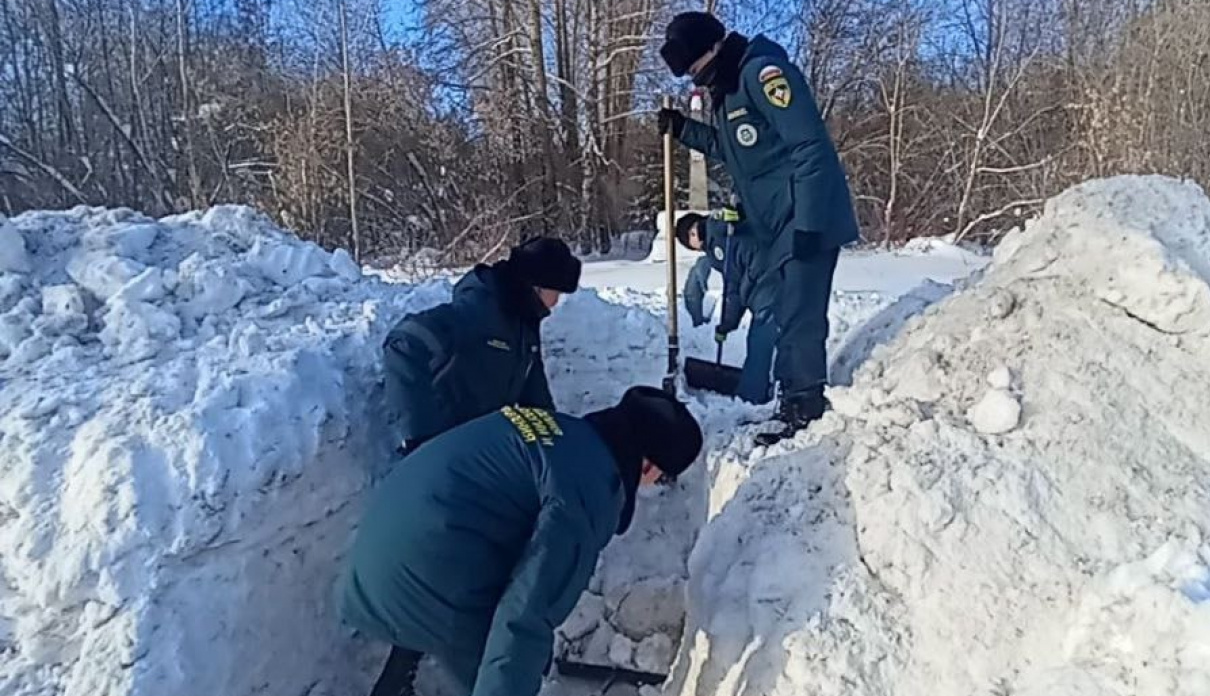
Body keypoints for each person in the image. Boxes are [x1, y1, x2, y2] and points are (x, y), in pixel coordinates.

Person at [339, 386, 704, 696]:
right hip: (421, 583)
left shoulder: (562, 432)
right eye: (660, 479)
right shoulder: (589, 490)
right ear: (648, 466)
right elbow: (527, 612)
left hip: (372, 562)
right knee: (500, 664)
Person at [657, 12, 859, 445]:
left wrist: (809, 223)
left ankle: (805, 404)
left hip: (806, 216)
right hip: (774, 224)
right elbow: (734, 152)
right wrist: (684, 131)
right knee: (785, 312)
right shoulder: (726, 91)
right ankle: (791, 399)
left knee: (801, 313)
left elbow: (811, 147)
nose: (696, 79)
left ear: (712, 49)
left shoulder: (763, 74)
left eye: (695, 68)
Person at [382, 237, 580, 455]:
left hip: (478, 453)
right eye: (557, 292)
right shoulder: (478, 313)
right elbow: (404, 343)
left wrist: (556, 445)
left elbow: (535, 399)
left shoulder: (524, 328)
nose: (556, 302)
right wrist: (422, 439)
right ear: (537, 287)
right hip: (443, 455)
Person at [678, 207, 780, 404]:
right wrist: (727, 324)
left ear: (692, 232)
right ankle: (782, 387)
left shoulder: (719, 233)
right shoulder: (720, 236)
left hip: (768, 283)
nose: (695, 249)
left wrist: (726, 324)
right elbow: (734, 284)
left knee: (760, 339)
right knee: (783, 338)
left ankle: (751, 397)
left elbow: (733, 290)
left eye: (689, 244)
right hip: (774, 277)